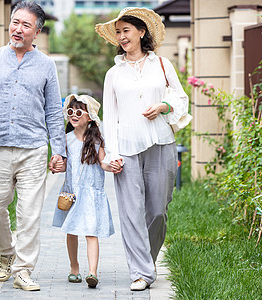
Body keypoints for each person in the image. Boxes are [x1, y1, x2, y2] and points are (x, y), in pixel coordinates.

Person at [0, 1, 66, 292]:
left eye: (26, 25)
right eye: (15, 22)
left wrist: (58, 150)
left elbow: (53, 113)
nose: (18, 29)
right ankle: (6, 252)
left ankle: (23, 270)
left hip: (33, 149)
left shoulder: (46, 66)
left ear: (37, 31)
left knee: (30, 214)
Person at [95, 7, 190, 291]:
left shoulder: (162, 65)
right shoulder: (113, 73)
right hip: (126, 148)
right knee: (131, 211)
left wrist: (164, 106)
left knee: (158, 211)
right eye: (118, 32)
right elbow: (109, 118)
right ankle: (141, 272)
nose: (122, 37)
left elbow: (181, 99)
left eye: (126, 31)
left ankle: (146, 261)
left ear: (141, 32)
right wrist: (111, 154)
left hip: (161, 144)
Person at [51, 94, 122, 289]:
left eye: (78, 112)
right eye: (70, 112)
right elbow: (66, 165)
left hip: (91, 194)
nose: (73, 115)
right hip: (72, 193)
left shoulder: (97, 140)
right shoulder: (65, 139)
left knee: (91, 233)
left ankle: (93, 272)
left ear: (89, 117)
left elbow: (103, 163)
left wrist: (112, 166)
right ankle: (74, 268)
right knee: (71, 231)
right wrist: (57, 165)